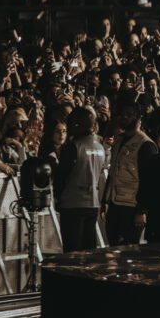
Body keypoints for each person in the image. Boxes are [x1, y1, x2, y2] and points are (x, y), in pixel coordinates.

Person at [102, 101, 157, 246]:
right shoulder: (119, 140)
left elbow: (149, 180)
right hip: (115, 203)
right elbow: (113, 171)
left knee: (128, 251)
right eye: (122, 114)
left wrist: (142, 211)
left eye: (129, 114)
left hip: (131, 206)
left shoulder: (146, 144)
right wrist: (105, 200)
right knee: (114, 246)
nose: (124, 117)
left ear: (138, 118)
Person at [54, 107, 107, 252]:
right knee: (88, 249)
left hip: (72, 203)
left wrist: (57, 197)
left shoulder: (73, 146)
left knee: (72, 251)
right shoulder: (100, 147)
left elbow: (61, 175)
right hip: (93, 204)